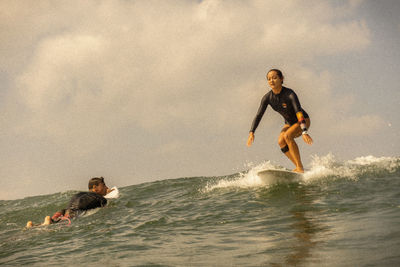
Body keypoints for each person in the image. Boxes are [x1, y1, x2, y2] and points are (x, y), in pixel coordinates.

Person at [247, 69, 313, 173]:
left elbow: (298, 112)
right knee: (281, 141)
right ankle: (298, 166)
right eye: (269, 79)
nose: (271, 81)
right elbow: (259, 114)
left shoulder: (290, 94)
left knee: (287, 136)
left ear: (281, 79)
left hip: (303, 120)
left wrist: (304, 131)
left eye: (274, 78)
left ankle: (300, 168)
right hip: (289, 123)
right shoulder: (267, 97)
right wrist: (252, 132)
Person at [26, 177, 113, 228]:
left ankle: (37, 224)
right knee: (61, 224)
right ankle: (49, 222)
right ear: (95, 187)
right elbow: (106, 209)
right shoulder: (100, 198)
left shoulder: (81, 194)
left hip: (67, 210)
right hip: (76, 212)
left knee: (60, 217)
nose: (106, 187)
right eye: (104, 185)